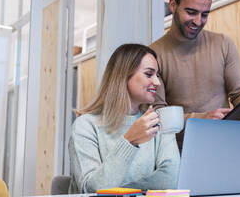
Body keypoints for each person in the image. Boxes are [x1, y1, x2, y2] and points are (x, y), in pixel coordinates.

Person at [150, 0, 240, 149]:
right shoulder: (153, 55)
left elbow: (239, 92)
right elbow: (158, 115)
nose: (198, 21)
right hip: (179, 153)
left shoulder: (223, 44)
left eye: (204, 14)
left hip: (223, 145)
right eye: (191, 12)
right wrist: (200, 120)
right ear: (173, 5)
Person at [68, 44, 180, 193]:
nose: (157, 82)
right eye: (149, 74)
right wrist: (130, 142)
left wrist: (123, 191)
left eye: (157, 75)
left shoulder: (159, 122)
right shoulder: (85, 126)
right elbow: (93, 189)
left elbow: (171, 179)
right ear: (124, 75)